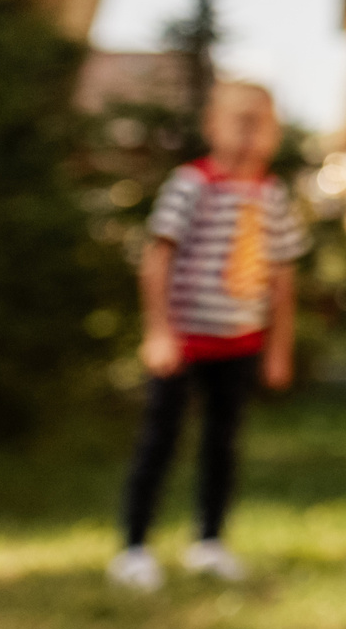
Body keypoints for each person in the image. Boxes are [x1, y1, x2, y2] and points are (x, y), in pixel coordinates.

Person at [109, 81, 307, 592]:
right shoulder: (190, 184)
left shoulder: (271, 194)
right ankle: (134, 548)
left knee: (222, 444)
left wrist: (278, 349)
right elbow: (157, 258)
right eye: (238, 119)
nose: (249, 131)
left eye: (260, 121)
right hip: (185, 343)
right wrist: (158, 332)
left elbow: (282, 279)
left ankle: (209, 542)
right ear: (211, 126)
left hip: (238, 344)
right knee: (160, 442)